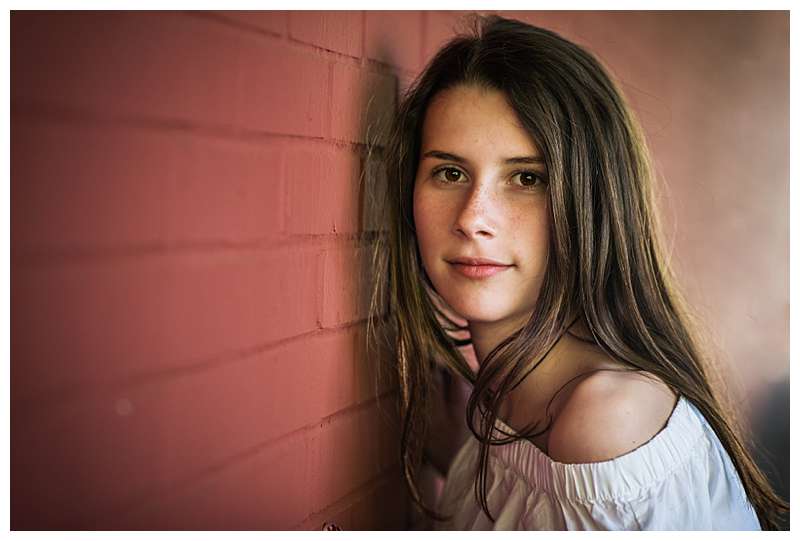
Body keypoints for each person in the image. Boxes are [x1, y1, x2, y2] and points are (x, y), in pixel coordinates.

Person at [365, 14, 788, 530]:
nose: (473, 218)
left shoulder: (609, 421)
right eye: (450, 173)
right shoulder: (500, 401)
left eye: (526, 178)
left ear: (593, 203)